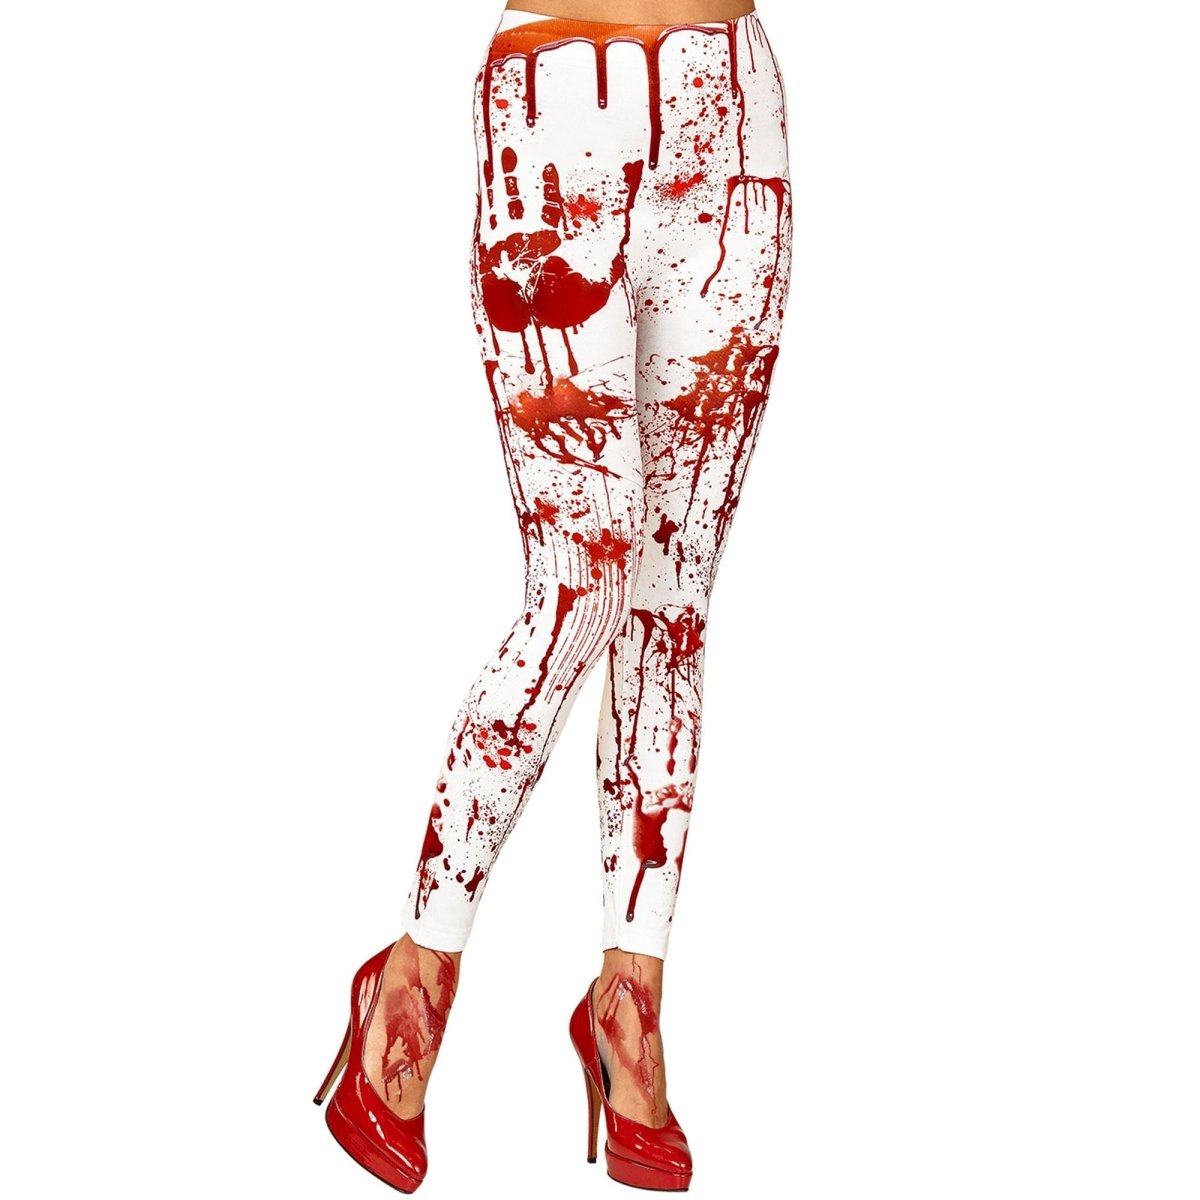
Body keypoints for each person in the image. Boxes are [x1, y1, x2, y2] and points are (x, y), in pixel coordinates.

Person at [313, 0, 792, 1190]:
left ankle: (631, 1004)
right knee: (582, 586)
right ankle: (413, 977)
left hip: (733, 110)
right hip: (556, 110)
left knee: (673, 600)